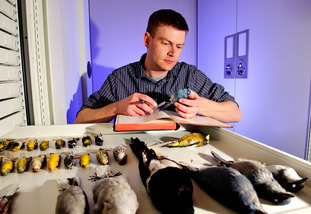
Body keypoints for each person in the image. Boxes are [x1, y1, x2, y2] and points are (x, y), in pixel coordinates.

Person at [74, 9, 242, 124]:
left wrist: (201, 106)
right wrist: (117, 107)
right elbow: (80, 119)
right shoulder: (119, 78)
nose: (173, 53)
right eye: (166, 43)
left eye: (179, 46)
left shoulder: (190, 75)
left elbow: (235, 113)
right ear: (147, 40)